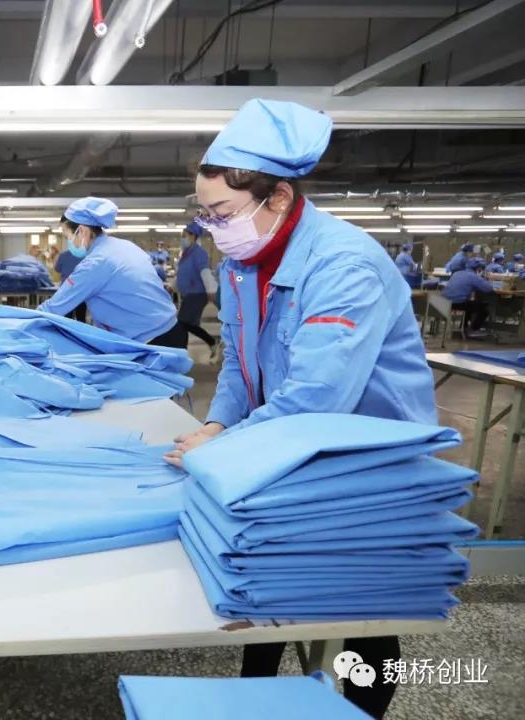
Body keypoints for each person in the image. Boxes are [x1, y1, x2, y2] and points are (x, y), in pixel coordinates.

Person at [163, 98, 436, 720]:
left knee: (363, 614)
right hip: (282, 442)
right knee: (269, 578)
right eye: (205, 215)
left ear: (279, 197)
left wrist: (229, 445)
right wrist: (217, 423)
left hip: (368, 461)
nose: (214, 228)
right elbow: (239, 363)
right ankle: (255, 697)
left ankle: (364, 711)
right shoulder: (244, 263)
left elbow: (318, 397)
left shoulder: (343, 265)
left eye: (222, 213)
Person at [37, 197, 183, 347]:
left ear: (81, 231)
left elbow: (53, 308)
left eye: (67, 236)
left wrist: (22, 321)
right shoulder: (125, 246)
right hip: (171, 329)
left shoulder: (95, 263)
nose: (69, 242)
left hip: (153, 340)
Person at [175, 220, 221, 361]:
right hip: (189, 294)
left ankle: (209, 342)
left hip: (197, 293)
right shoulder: (186, 254)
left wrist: (211, 290)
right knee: (185, 324)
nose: (183, 238)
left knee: (183, 323)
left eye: (185, 235)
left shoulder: (198, 253)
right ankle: (208, 343)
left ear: (193, 236)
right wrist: (173, 286)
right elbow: (182, 273)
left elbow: (205, 272)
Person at [443, 256, 495, 337]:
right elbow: (488, 288)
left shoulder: (456, 273)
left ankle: (463, 328)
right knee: (484, 309)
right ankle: (473, 330)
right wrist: (484, 279)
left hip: (444, 302)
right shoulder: (474, 276)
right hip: (458, 303)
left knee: (469, 304)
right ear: (479, 269)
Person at [54, 245, 87, 322]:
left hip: (67, 289)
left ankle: (67, 329)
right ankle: (80, 329)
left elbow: (57, 269)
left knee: (67, 317)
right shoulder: (85, 255)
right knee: (81, 318)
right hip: (80, 289)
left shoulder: (63, 255)